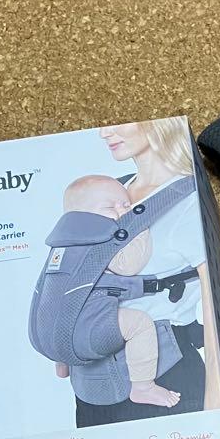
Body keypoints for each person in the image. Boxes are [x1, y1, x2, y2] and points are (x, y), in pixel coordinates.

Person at [74, 118, 220, 427]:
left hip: (164, 372)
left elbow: (214, 308)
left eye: (118, 123)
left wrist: (216, 401)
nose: (104, 132)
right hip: (94, 383)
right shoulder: (112, 190)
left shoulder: (188, 200)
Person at [57, 173, 180, 408]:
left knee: (61, 324)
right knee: (140, 325)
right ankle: (143, 387)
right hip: (90, 318)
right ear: (82, 217)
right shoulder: (96, 239)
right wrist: (140, 227)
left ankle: (62, 365)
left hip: (65, 321)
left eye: (126, 204)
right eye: (110, 207)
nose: (124, 211)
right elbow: (127, 265)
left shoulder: (63, 243)